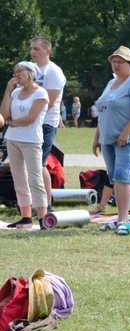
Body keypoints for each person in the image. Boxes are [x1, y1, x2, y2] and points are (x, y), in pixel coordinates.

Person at [92, 46, 130, 235]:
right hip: (108, 139)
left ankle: (123, 220)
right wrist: (97, 138)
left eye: (120, 62)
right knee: (114, 178)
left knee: (123, 177)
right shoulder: (111, 83)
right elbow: (103, 110)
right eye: (114, 61)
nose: (116, 65)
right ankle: (118, 219)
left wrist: (126, 132)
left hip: (128, 139)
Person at [0, 61, 49, 228]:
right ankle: (26, 217)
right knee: (18, 179)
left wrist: (11, 123)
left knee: (35, 178)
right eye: (14, 72)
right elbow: (4, 115)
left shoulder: (40, 93)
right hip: (12, 139)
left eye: (19, 71)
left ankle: (43, 217)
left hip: (31, 140)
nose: (16, 74)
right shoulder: (15, 92)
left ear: (30, 73)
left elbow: (31, 119)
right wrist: (7, 90)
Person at [30, 36, 66, 212]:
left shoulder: (53, 71)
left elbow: (50, 101)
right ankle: (33, 202)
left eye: (37, 49)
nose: (33, 52)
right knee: (31, 164)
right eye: (31, 49)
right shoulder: (31, 69)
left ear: (48, 51)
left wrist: (30, 116)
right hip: (29, 123)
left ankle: (47, 203)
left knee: (40, 163)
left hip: (45, 123)